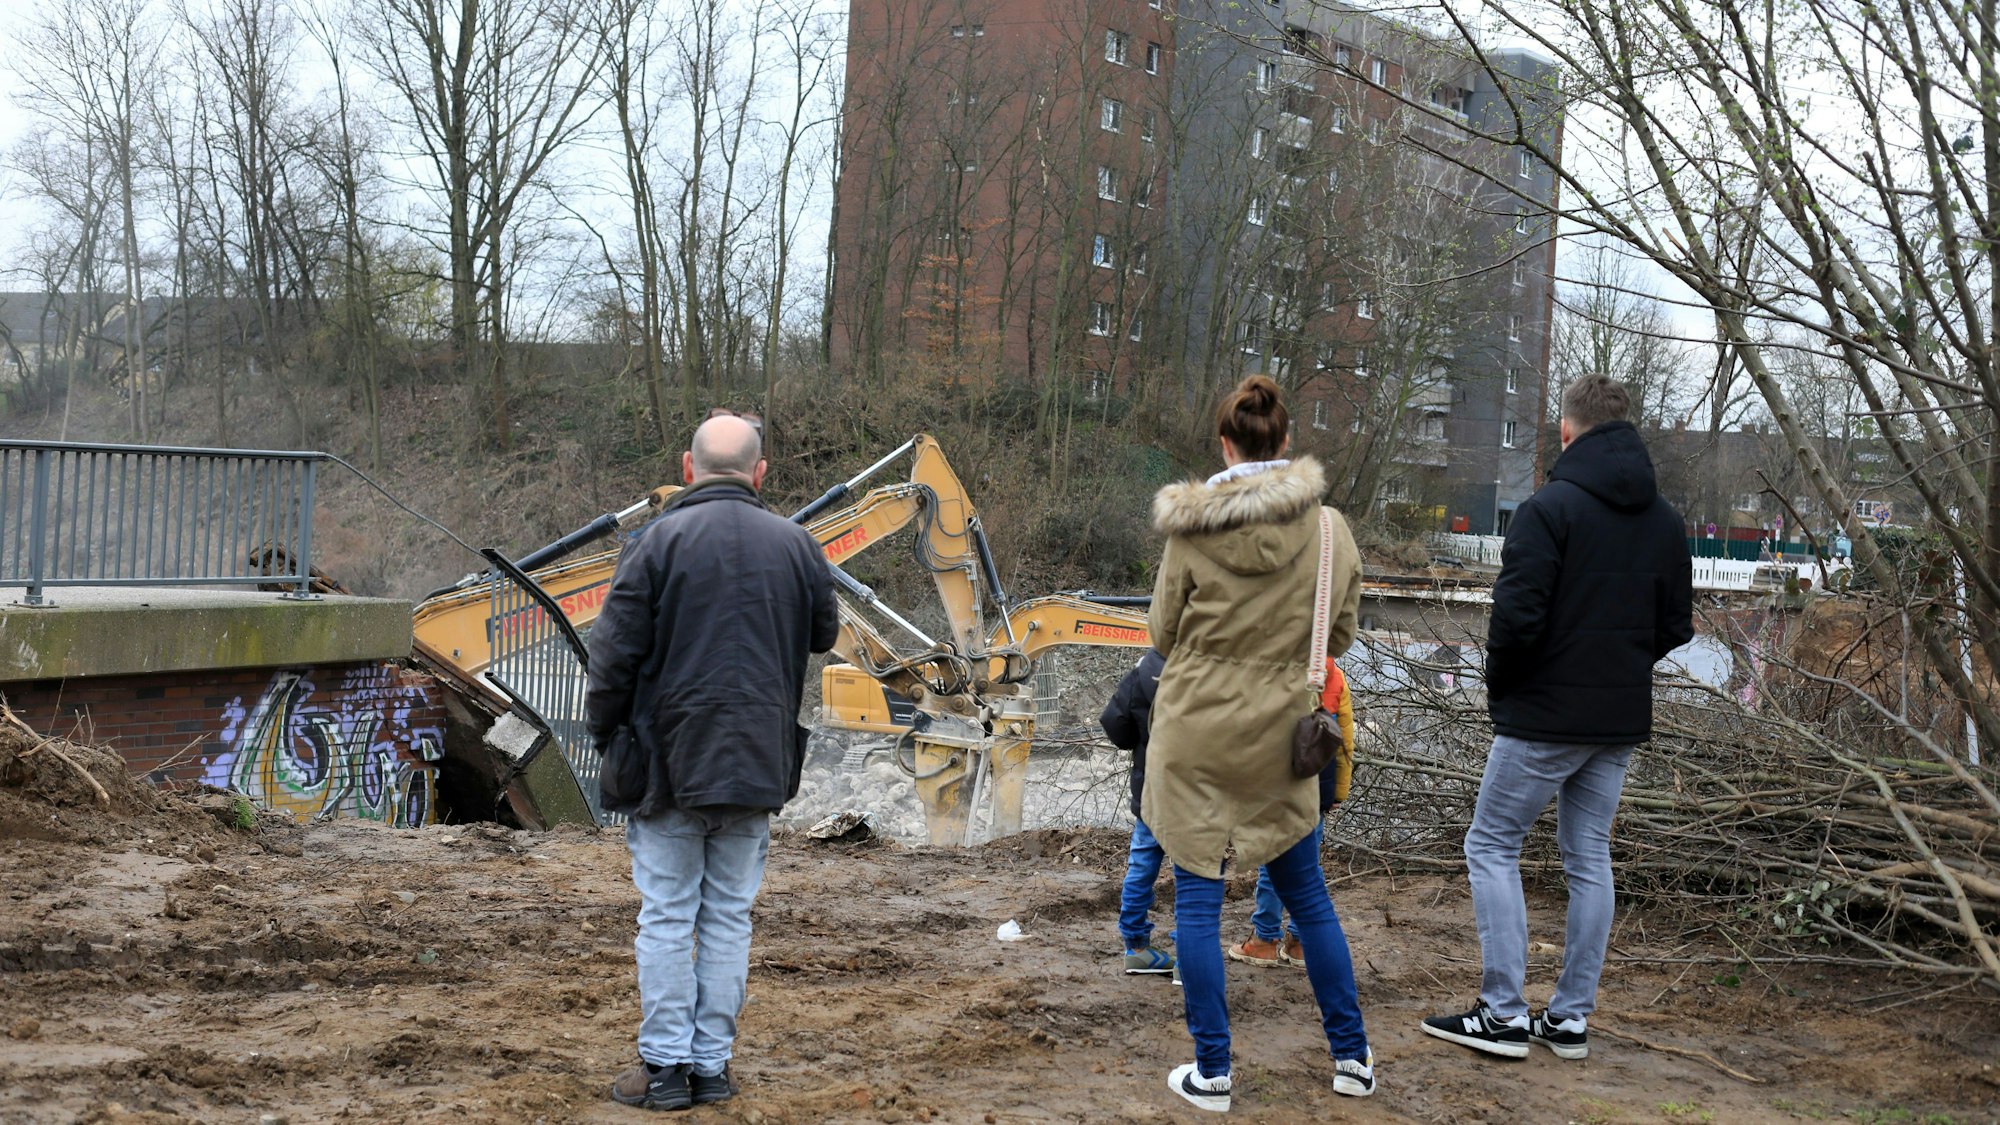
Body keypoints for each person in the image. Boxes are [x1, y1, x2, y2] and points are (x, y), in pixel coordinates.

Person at [1421, 376, 1693, 1062]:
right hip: (1617, 717)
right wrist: (1620, 665)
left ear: (1567, 434)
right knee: (1588, 855)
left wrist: (1507, 694)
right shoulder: (1665, 520)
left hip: (1544, 712)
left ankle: (1504, 1012)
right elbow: (1675, 625)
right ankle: (1569, 1019)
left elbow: (1514, 621)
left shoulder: (1548, 510)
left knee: (1490, 843)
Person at [586, 414, 839, 1111]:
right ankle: (712, 1067)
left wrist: (605, 734)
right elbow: (824, 633)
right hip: (758, 762)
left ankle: (664, 1071)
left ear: (688, 468)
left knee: (668, 915)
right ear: (760, 473)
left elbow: (612, 656)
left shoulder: (654, 543)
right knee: (728, 917)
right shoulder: (797, 545)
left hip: (666, 762)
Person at [1145, 375, 1375, 1110]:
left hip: (1197, 735)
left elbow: (1161, 634)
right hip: (1284, 736)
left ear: (1224, 443)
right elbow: (1338, 635)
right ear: (1286, 442)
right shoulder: (1330, 531)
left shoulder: (1191, 530)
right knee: (1309, 895)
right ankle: (1353, 1059)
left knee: (1197, 903)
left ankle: (1213, 1071)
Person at [1225, 656, 1355, 969]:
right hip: (1317, 789)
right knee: (1307, 866)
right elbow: (1343, 739)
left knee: (1273, 863)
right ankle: (1299, 943)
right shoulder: (1333, 675)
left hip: (1276, 787)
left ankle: (1264, 940)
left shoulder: (1268, 668)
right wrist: (1337, 791)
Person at [1101, 650, 1176, 978]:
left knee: (1142, 866)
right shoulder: (1214, 664)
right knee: (1195, 875)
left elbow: (1116, 727)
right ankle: (1191, 956)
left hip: (1151, 794)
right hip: (1198, 796)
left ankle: (1136, 947)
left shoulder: (1146, 669)